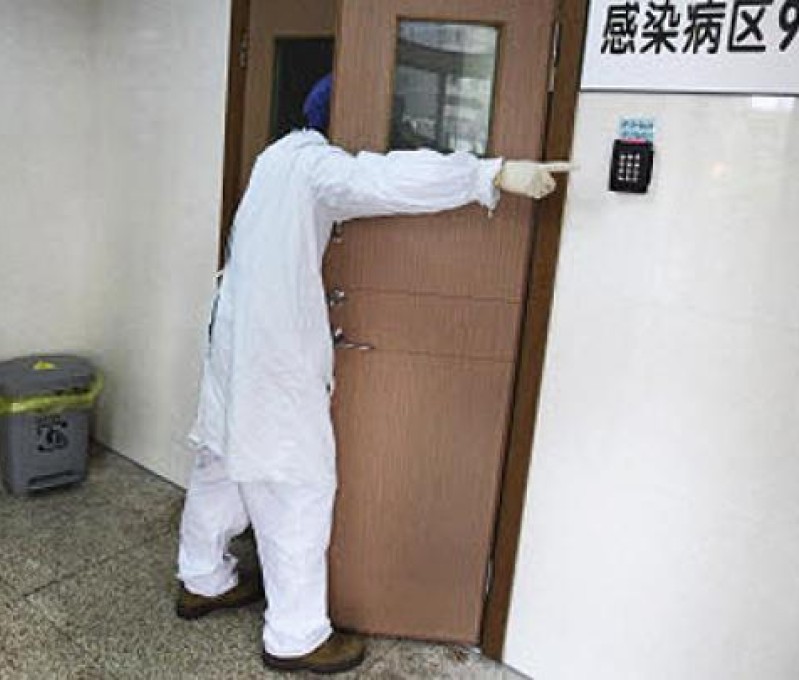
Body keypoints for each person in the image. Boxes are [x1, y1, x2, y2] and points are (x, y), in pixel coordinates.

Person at [176, 74, 564, 674]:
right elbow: (381, 179)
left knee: (222, 461)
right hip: (271, 357)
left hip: (235, 342)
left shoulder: (273, 161)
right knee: (295, 486)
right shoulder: (314, 166)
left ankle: (202, 576)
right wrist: (491, 172)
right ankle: (296, 637)